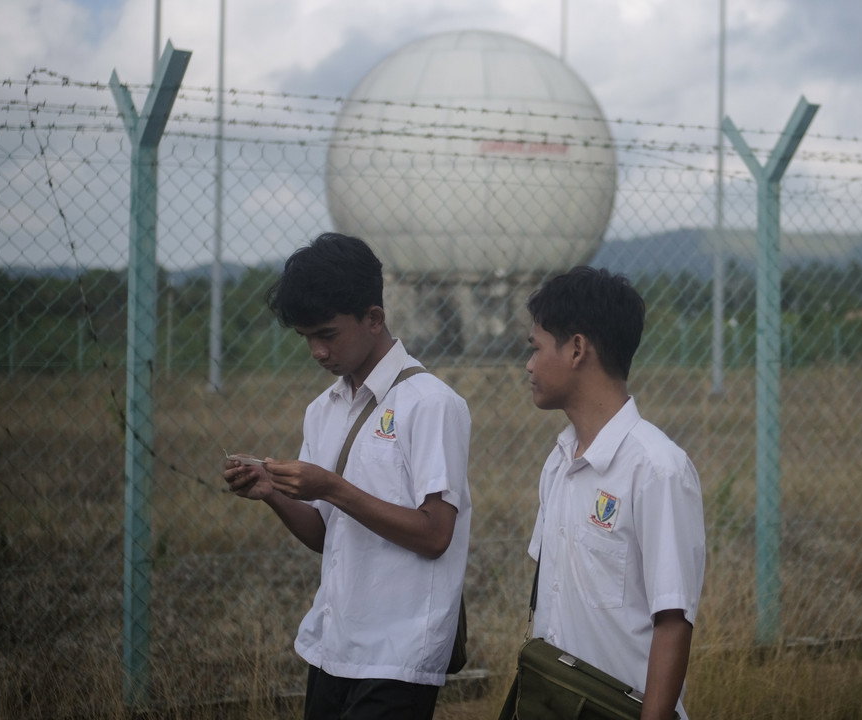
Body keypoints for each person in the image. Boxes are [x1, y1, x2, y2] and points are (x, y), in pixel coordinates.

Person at [223, 232, 471, 720]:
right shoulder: (324, 409)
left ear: (373, 318)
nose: (316, 351)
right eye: (305, 338)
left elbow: (437, 534)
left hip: (399, 653)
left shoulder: (430, 404)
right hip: (334, 644)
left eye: (327, 334)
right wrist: (274, 493)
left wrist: (331, 487)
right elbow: (324, 534)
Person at [523, 266, 706, 720]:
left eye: (536, 348)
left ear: (577, 349)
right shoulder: (560, 460)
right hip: (557, 702)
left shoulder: (656, 468)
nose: (528, 364)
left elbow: (673, 621)